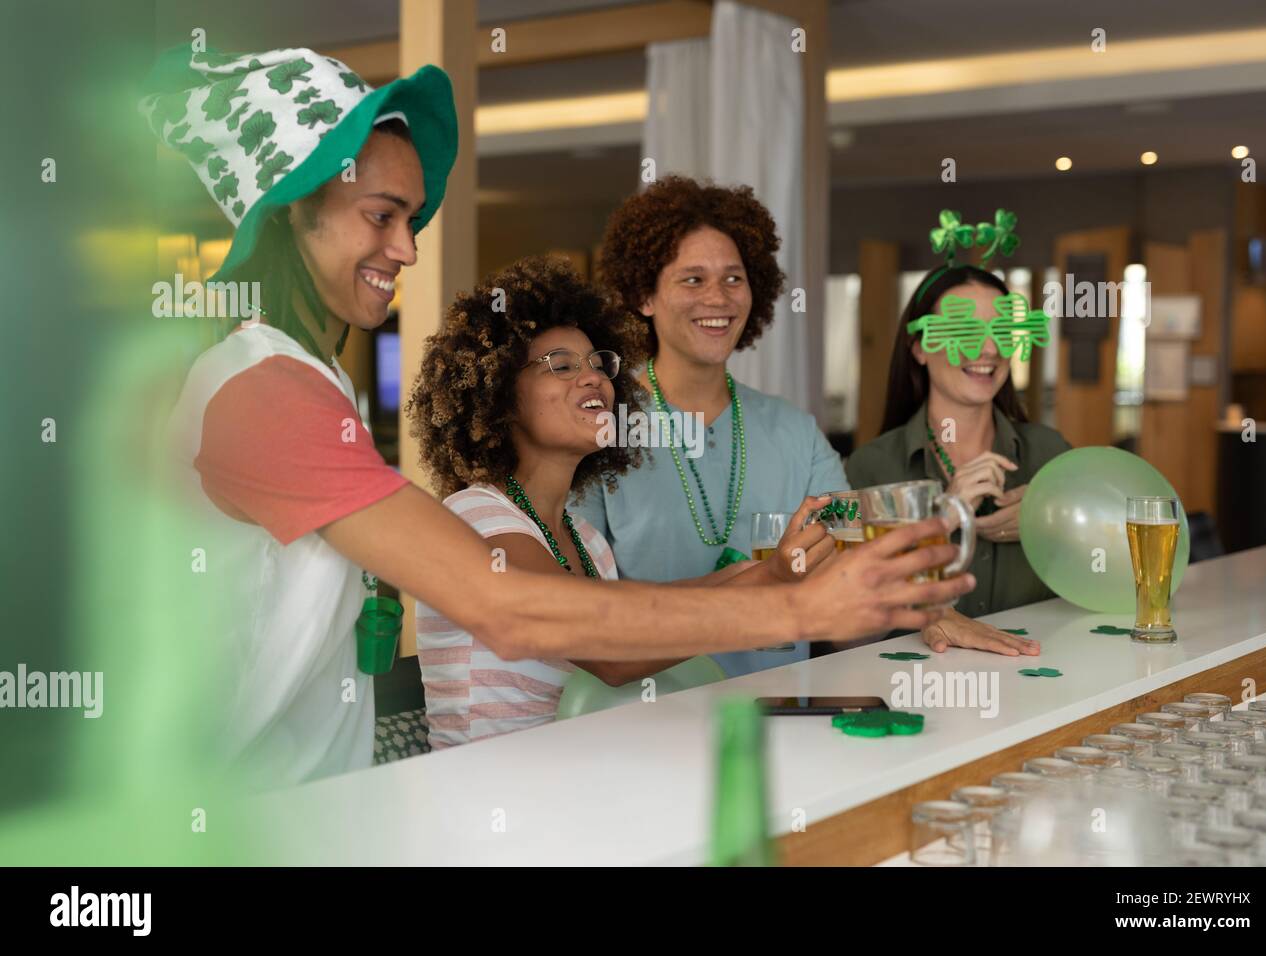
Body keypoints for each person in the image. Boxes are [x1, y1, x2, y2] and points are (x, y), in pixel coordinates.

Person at [148, 47, 973, 785]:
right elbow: (504, 606)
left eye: (410, 219)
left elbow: (609, 651)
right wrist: (798, 608)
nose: (406, 249)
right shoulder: (259, 391)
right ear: (294, 210)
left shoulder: (311, 379)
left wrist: (778, 577)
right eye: (381, 215)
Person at [407, 257, 835, 748]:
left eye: (597, 363)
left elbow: (640, 613)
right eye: (562, 366)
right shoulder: (475, 519)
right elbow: (611, 650)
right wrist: (768, 583)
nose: (593, 378)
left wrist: (766, 570)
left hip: (577, 793)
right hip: (490, 809)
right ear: (501, 396)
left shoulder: (588, 543)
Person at [572, 176, 849, 677]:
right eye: (692, 279)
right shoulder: (595, 429)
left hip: (781, 719)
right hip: (645, 725)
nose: (717, 298)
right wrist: (764, 580)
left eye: (733, 278)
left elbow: (850, 578)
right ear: (644, 295)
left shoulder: (794, 431)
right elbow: (582, 612)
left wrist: (932, 612)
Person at [845, 262, 1070, 656]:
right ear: (918, 346)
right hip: (910, 693)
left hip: (1039, 689)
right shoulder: (870, 469)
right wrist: (942, 518)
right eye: (964, 331)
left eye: (1002, 331)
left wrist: (1054, 518)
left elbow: (1119, 577)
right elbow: (842, 631)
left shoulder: (1052, 454)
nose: (989, 350)